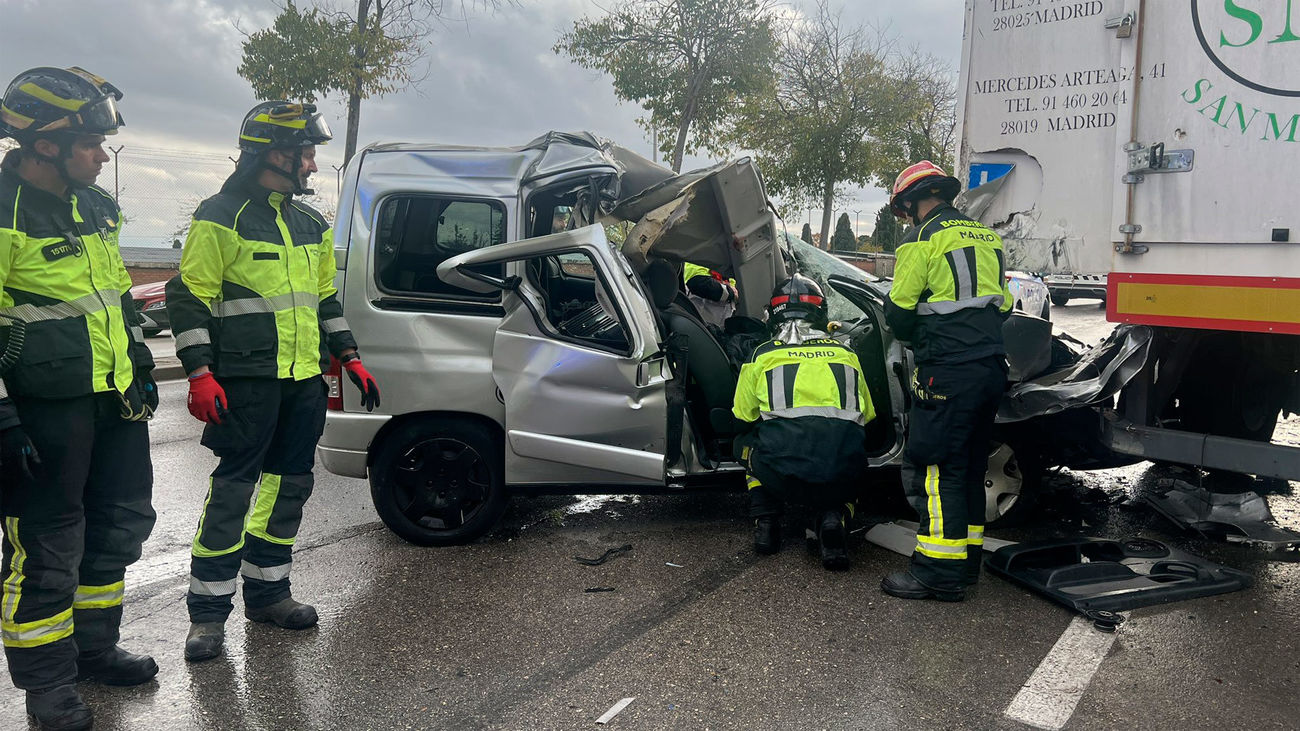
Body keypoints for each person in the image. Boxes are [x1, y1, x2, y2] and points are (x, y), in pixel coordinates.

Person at [166, 101, 381, 662]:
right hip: (245, 383)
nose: (312, 164)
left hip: (301, 381)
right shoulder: (220, 215)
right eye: (306, 153)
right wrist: (199, 372)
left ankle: (269, 595)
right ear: (273, 153)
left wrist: (349, 356)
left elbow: (324, 300)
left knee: (288, 489)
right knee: (234, 492)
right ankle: (208, 616)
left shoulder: (310, 222)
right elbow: (190, 297)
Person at [0, 66, 158, 731]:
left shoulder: (96, 206)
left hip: (111, 403)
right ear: (44, 145)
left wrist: (143, 360)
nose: (103, 153)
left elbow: (116, 296)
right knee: (47, 549)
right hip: (42, 413)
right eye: (92, 142)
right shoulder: (4, 213)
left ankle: (96, 648)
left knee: (115, 528)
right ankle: (46, 688)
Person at [881, 161, 1012, 602]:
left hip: (947, 370)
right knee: (971, 468)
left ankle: (937, 573)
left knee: (938, 469)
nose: (906, 217)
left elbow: (899, 312)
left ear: (914, 201)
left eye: (904, 209)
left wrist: (924, 337)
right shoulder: (986, 237)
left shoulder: (923, 237)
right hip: (990, 367)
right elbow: (1004, 305)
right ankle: (964, 563)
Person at [732, 274, 873, 570]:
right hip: (843, 472)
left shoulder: (763, 354)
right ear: (821, 312)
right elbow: (868, 415)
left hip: (782, 477)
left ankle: (766, 522)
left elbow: (742, 414)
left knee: (743, 445)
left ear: (773, 314)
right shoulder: (847, 353)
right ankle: (833, 518)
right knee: (848, 460)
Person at [682, 262, 738, 329]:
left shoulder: (729, 263)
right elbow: (699, 283)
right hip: (699, 323)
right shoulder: (699, 257)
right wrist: (730, 292)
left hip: (720, 324)